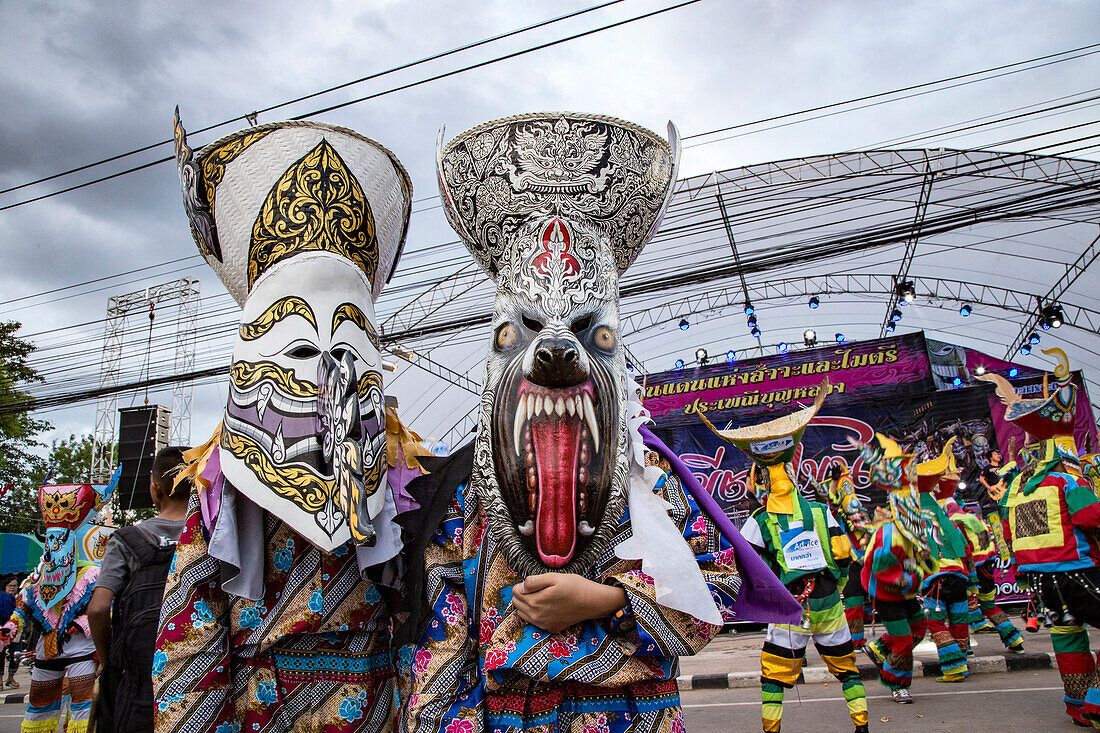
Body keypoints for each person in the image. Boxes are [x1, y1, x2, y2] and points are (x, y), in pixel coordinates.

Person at [400, 112, 796, 733]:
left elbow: (714, 591)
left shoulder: (651, 479)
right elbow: (445, 639)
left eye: (594, 333)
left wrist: (608, 600)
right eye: (524, 330)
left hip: (634, 716)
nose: (556, 353)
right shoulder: (465, 492)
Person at [153, 113, 424, 733]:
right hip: (263, 705)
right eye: (300, 349)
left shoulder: (404, 475)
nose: (326, 372)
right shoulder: (215, 485)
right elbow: (189, 642)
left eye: (349, 349)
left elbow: (423, 616)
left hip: (375, 704)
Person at [703, 381, 869, 733]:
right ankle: (862, 727)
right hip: (827, 602)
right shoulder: (822, 513)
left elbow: (744, 565)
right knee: (848, 669)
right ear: (793, 476)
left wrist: (766, 597)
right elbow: (843, 556)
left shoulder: (759, 521)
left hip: (788, 607)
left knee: (773, 678)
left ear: (763, 478)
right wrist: (833, 587)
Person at [979, 350, 1100, 727]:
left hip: (1043, 581)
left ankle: (1079, 706)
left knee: (1067, 638)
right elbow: (1090, 517)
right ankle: (1096, 701)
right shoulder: (1067, 480)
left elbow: (1010, 534)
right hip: (1078, 571)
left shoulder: (1021, 487)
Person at [0, 474, 117, 733]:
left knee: (82, 709)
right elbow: (24, 604)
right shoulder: (38, 575)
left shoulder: (91, 574)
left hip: (81, 652)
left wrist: (83, 624)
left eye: (59, 540)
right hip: (46, 651)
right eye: (49, 541)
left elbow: (106, 609)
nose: (53, 546)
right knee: (39, 707)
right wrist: (11, 627)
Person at [88, 446, 190, 731]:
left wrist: (110, 662)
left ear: (156, 489)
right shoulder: (210, 537)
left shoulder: (126, 540)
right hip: (197, 673)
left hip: (138, 674)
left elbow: (97, 608)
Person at [860, 434, 932, 704]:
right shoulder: (889, 534)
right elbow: (882, 567)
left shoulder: (916, 526)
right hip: (889, 592)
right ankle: (896, 683)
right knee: (903, 639)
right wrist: (908, 577)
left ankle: (879, 648)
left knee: (919, 628)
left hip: (907, 590)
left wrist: (922, 561)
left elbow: (921, 557)